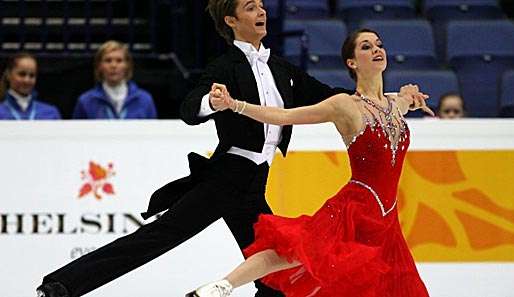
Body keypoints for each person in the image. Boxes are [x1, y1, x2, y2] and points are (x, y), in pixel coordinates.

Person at [36, 1, 428, 297]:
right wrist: (214, 101)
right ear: (231, 20)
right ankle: (60, 287)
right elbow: (190, 107)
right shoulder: (224, 67)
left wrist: (399, 97)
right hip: (224, 179)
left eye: (261, 5)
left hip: (255, 183)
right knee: (154, 240)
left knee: (275, 273)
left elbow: (342, 100)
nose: (261, 11)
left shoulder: (283, 70)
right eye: (250, 6)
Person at [186, 28, 433, 297]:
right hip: (356, 208)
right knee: (295, 250)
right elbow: (282, 116)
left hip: (387, 220)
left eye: (379, 45)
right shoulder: (344, 105)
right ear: (351, 62)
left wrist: (412, 97)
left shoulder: (394, 104)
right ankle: (222, 286)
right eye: (366, 47)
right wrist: (235, 105)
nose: (376, 50)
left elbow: (404, 101)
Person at [72, 40, 157, 119]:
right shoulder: (86, 101)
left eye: (119, 61)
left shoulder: (144, 100)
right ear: (99, 66)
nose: (113, 66)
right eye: (108, 61)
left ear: (127, 66)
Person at [0, 52, 61, 120]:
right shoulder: (1, 113)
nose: (27, 80)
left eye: (32, 75)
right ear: (8, 75)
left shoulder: (50, 113)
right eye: (22, 74)